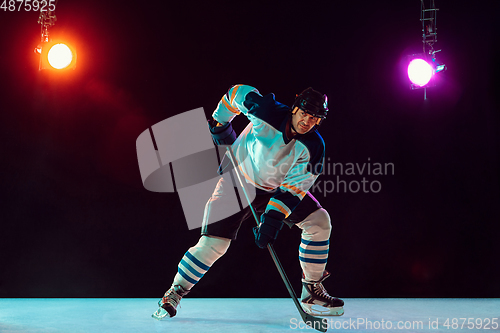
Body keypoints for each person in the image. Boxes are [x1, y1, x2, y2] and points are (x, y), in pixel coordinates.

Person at [152, 84, 344, 319]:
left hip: (273, 190)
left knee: (319, 221)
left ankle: (311, 290)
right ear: (295, 108)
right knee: (214, 245)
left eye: (315, 118)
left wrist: (272, 218)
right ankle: (175, 292)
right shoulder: (267, 110)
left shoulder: (314, 147)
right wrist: (219, 122)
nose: (308, 121)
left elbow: (293, 188)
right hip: (236, 182)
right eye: (305, 113)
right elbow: (236, 93)